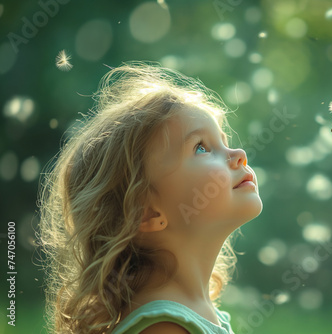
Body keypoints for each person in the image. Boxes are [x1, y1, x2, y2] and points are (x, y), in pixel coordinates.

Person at [37, 62, 263, 334]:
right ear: (146, 213)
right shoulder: (164, 327)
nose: (238, 153)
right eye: (201, 148)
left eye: (224, 141)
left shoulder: (195, 313)